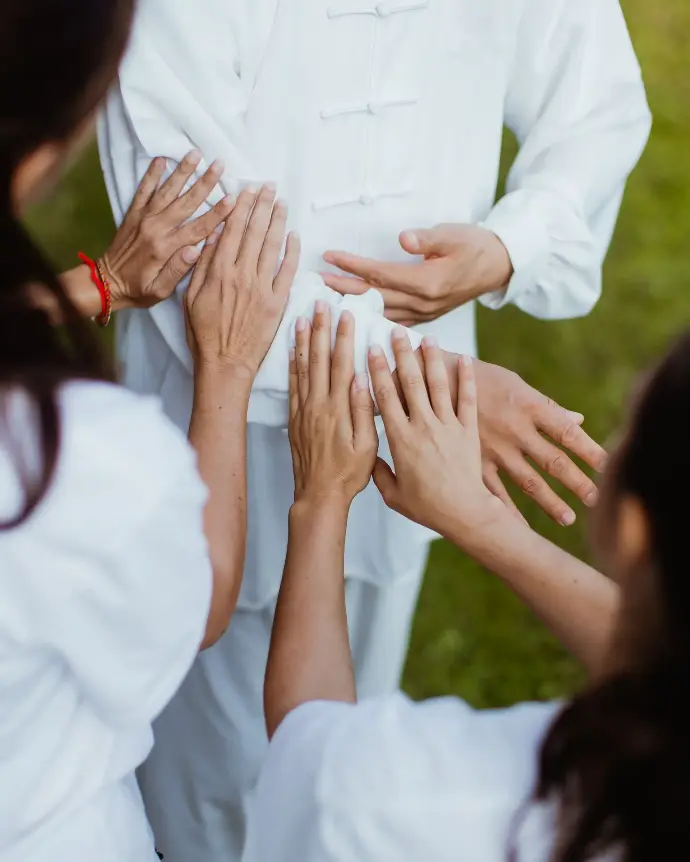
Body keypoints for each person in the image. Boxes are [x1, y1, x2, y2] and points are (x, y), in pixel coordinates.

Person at [98, 1, 648, 857]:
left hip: (415, 453)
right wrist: (437, 384)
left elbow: (600, 103)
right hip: (218, 410)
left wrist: (511, 243)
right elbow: (184, 238)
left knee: (349, 709)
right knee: (203, 765)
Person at [0, 3, 299, 861]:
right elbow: (195, 599)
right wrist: (229, 368)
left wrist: (101, 283)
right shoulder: (73, 459)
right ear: (53, 133)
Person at [246, 312, 690, 862]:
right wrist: (484, 524)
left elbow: (309, 751)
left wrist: (322, 498)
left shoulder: (410, 803)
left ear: (634, 530)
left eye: (630, 423)